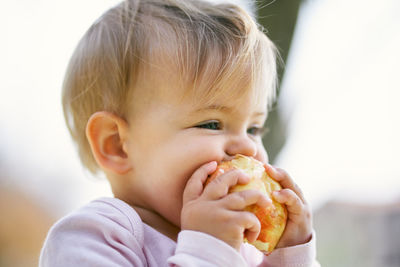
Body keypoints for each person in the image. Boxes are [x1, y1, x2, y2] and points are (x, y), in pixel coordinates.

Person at [40, 0, 319, 266]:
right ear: (117, 144)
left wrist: (291, 255)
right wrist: (209, 250)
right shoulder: (93, 237)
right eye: (211, 124)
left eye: (253, 128)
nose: (247, 147)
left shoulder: (242, 247)